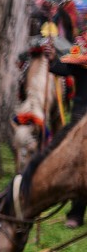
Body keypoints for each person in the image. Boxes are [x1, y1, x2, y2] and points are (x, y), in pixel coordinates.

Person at [46, 37, 87, 226]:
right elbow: (62, 69)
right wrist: (53, 58)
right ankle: (75, 214)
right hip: (80, 118)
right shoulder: (82, 49)